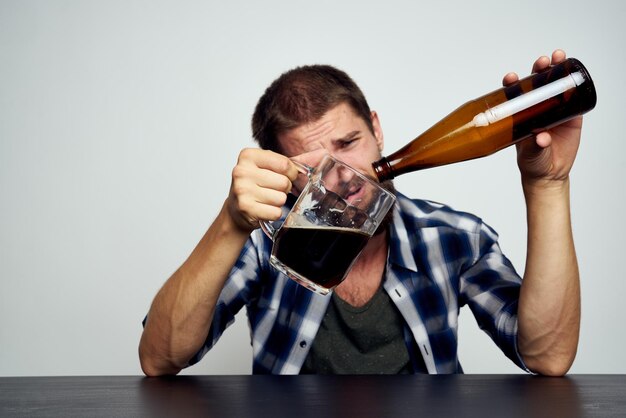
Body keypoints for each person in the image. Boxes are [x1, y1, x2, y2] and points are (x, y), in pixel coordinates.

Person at [139, 49, 581, 376]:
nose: (345, 176)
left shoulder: (453, 235)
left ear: (377, 128)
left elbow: (548, 355)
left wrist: (548, 184)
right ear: (284, 173)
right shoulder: (265, 241)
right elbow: (159, 358)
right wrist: (230, 222)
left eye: (349, 144)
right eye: (314, 167)